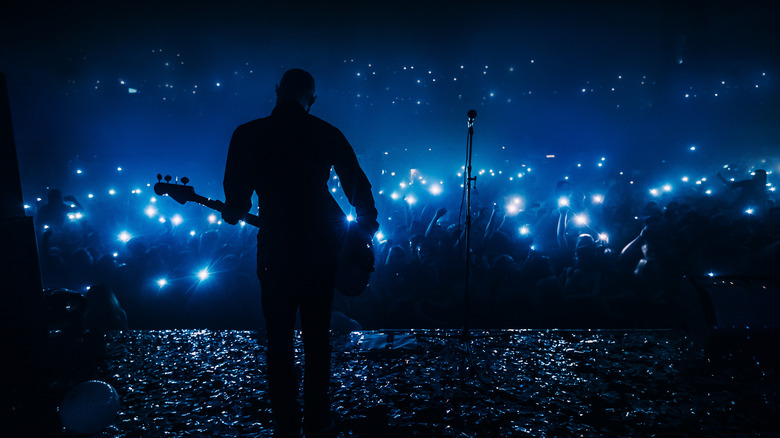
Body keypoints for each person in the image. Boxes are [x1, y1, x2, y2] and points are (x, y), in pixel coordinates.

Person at [221, 68, 378, 438]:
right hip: (320, 247)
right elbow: (357, 182)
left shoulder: (247, 134)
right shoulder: (325, 132)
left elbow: (236, 204)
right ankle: (318, 419)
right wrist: (365, 228)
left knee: (278, 337)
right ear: (312, 98)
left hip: (275, 245)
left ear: (277, 91)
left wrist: (235, 208)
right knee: (316, 336)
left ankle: (286, 421)